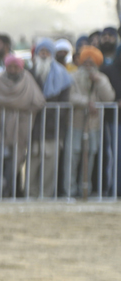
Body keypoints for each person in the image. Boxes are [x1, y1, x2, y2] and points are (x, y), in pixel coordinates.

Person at [0, 54, 44, 197]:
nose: (13, 70)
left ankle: (11, 191)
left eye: (16, 67)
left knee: (15, 161)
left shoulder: (28, 80)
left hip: (20, 129)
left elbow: (38, 101)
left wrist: (11, 105)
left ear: (21, 67)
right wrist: (19, 104)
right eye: (10, 66)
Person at [30, 37, 74, 197]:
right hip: (33, 127)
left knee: (50, 165)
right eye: (41, 51)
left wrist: (54, 118)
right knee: (32, 163)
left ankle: (46, 195)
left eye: (47, 51)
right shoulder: (29, 73)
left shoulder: (63, 75)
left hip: (53, 128)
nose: (43, 54)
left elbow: (64, 102)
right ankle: (30, 193)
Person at [67, 46, 113, 198]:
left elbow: (109, 98)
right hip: (75, 123)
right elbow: (70, 97)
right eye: (85, 62)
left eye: (91, 63)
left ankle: (85, 190)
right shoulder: (73, 77)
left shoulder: (102, 78)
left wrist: (99, 81)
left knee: (90, 155)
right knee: (72, 156)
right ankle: (70, 190)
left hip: (94, 125)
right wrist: (86, 102)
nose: (88, 66)